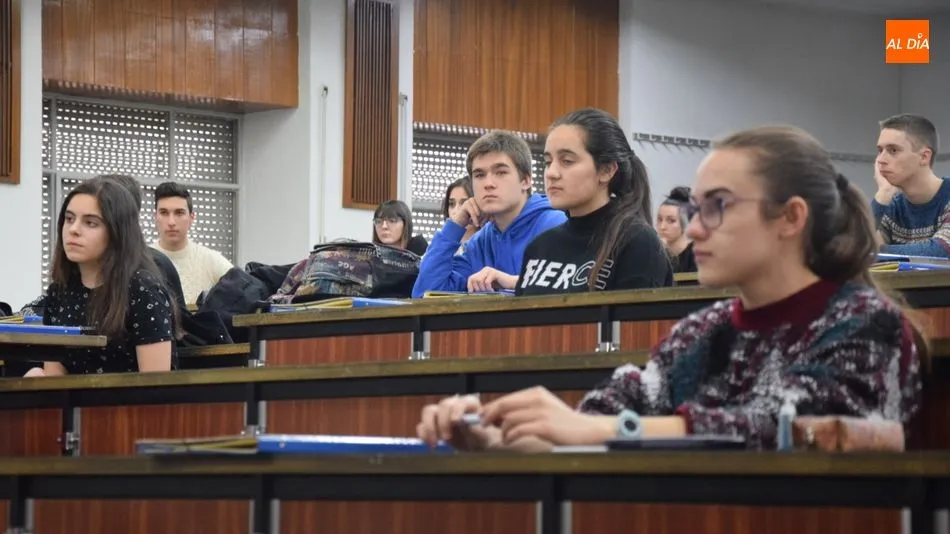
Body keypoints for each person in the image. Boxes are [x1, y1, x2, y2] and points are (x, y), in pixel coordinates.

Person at [417, 125, 925, 451]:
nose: (695, 228)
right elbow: (601, 416)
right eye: (693, 209)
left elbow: (792, 429)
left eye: (717, 206)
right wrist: (495, 434)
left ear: (790, 217)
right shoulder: (702, 331)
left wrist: (607, 431)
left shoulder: (866, 323)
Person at [24, 177, 179, 376]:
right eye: (69, 219)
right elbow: (55, 380)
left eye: (90, 223)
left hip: (127, 404)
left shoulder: (142, 289)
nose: (73, 230)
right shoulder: (60, 291)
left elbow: (155, 386)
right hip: (72, 403)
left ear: (117, 232)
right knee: (35, 376)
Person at [515, 108, 673, 295]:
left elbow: (633, 324)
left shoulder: (637, 242)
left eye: (567, 161)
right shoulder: (540, 246)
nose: (551, 173)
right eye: (548, 162)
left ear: (606, 170)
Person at [411, 130, 567, 297]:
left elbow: (575, 288)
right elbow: (425, 294)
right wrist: (455, 225)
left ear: (526, 181)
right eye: (479, 175)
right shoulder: (479, 243)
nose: (488, 184)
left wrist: (512, 282)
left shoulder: (557, 224)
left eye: (500, 172)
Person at [872, 114, 950, 258]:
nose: (881, 160)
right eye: (880, 150)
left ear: (924, 156)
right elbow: (854, 246)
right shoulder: (892, 206)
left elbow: (943, 251)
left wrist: (876, 252)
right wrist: (883, 193)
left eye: (893, 150)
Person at [151, 182, 233, 304]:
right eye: (164, 213)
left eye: (179, 213)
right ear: (155, 217)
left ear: (191, 217)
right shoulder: (140, 260)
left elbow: (244, 288)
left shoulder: (211, 260)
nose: (171, 222)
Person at [656, 186, 697, 273]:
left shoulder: (697, 256)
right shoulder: (656, 256)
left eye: (671, 221)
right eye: (659, 219)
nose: (662, 227)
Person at [442, 176, 476, 254]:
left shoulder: (491, 245)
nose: (456, 211)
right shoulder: (441, 247)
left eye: (464, 203)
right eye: (451, 204)